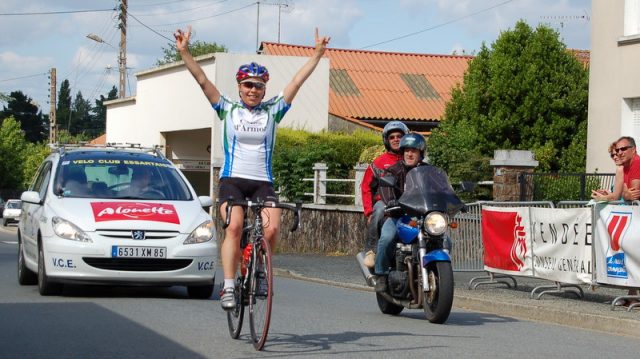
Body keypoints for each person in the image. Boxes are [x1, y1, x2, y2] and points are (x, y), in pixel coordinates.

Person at [174, 26, 330, 310]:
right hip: (232, 180)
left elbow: (297, 81)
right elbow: (201, 79)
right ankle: (230, 285)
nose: (253, 90)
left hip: (262, 182)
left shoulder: (273, 110)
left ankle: (257, 268)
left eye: (258, 86)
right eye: (248, 84)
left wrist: (317, 54)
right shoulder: (227, 108)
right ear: (239, 86)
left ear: (264, 89)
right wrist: (185, 52)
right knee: (233, 227)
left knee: (271, 230)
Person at [373, 133, 426, 292]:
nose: (410, 154)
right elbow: (386, 189)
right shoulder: (393, 171)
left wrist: (452, 200)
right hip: (399, 215)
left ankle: (439, 272)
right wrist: (391, 201)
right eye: (407, 151)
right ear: (402, 152)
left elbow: (439, 188)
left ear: (420, 153)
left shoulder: (428, 171)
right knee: (387, 238)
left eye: (414, 151)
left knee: (445, 240)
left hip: (421, 217)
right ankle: (381, 274)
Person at [360, 121, 409, 268]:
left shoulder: (411, 158)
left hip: (409, 203)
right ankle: (371, 250)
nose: (395, 139)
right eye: (392, 137)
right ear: (386, 140)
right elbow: (365, 187)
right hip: (386, 202)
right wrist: (369, 212)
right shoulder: (379, 162)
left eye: (399, 136)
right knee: (379, 209)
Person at [608, 136, 640, 305]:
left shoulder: (636, 163)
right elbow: (619, 194)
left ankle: (633, 295)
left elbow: (635, 193)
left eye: (623, 149)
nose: (619, 153)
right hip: (632, 214)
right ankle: (632, 294)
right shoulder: (623, 167)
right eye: (616, 151)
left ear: (633, 149)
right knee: (630, 253)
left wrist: (625, 192)